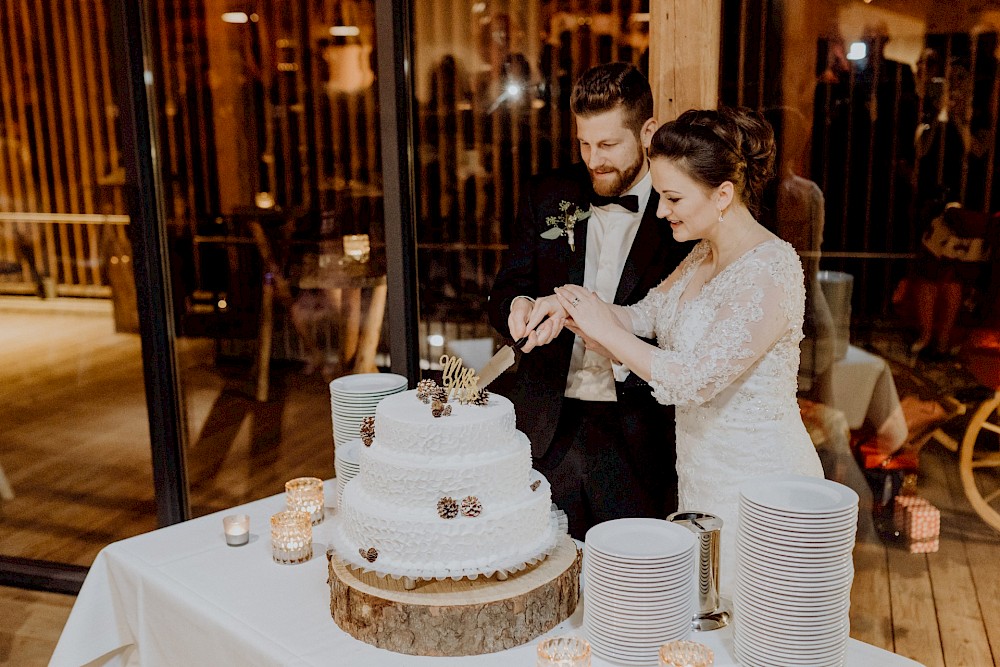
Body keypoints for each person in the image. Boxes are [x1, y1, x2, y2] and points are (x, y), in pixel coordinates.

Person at [536, 107, 824, 596]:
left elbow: (693, 378)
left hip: (760, 483)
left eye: (673, 197)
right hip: (700, 478)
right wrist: (566, 303)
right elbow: (642, 315)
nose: (662, 210)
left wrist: (608, 337)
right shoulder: (701, 256)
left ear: (723, 195)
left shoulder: (772, 269)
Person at [487, 62, 694, 540]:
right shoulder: (548, 195)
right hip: (545, 425)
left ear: (647, 132)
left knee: (629, 577)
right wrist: (516, 306)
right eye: (584, 143)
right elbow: (505, 287)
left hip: (638, 431)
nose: (593, 159)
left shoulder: (680, 214)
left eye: (607, 145)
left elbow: (682, 326)